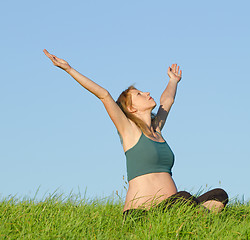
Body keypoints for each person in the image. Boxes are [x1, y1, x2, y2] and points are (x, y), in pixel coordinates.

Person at [43, 49, 229, 216]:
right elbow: (103, 95)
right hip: (140, 214)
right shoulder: (129, 131)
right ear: (131, 109)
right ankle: (190, 217)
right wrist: (69, 69)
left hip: (170, 207)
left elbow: (167, 100)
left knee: (219, 195)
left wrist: (173, 80)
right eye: (139, 94)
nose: (147, 93)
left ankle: (189, 218)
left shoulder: (157, 130)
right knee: (185, 199)